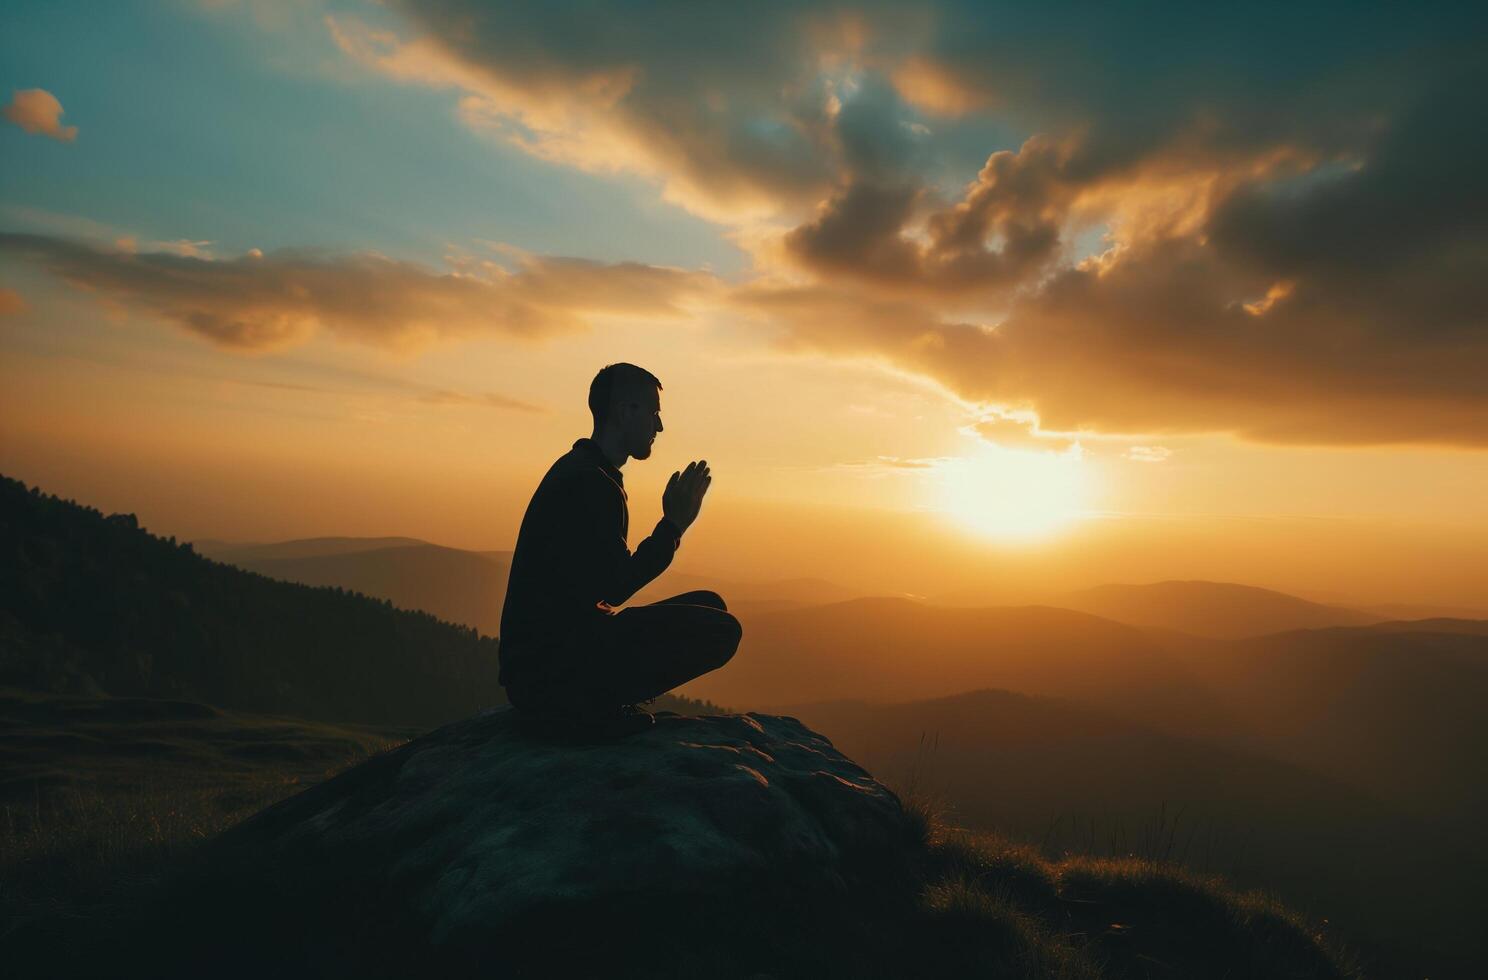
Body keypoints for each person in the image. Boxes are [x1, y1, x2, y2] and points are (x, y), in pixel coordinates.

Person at [498, 363, 741, 735]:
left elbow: (598, 588)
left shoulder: (582, 471)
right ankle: (589, 711)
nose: (658, 427)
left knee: (711, 605)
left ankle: (594, 700)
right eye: (654, 414)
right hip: (552, 673)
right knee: (722, 631)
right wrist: (672, 525)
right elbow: (614, 588)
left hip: (545, 662)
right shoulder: (590, 483)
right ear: (626, 411)